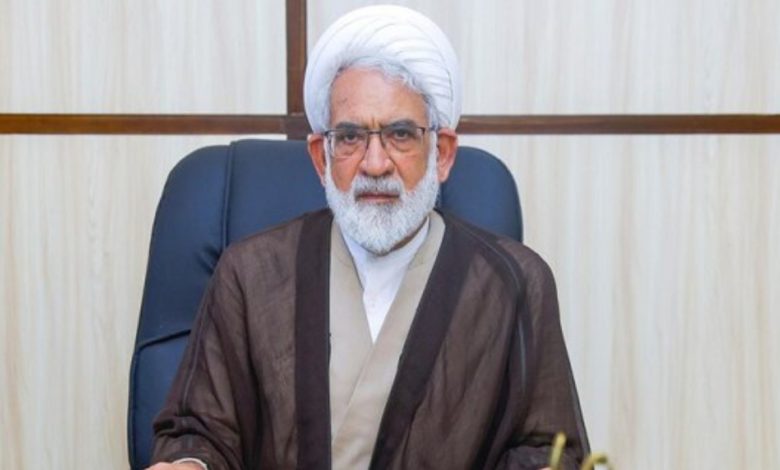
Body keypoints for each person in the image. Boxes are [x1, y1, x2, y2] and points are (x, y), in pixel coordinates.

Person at [147, 5, 588, 470]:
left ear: (441, 154)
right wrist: (187, 465)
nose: (375, 165)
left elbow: (546, 447)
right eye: (351, 137)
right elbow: (200, 434)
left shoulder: (514, 282)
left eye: (400, 134)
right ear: (321, 157)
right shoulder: (250, 274)